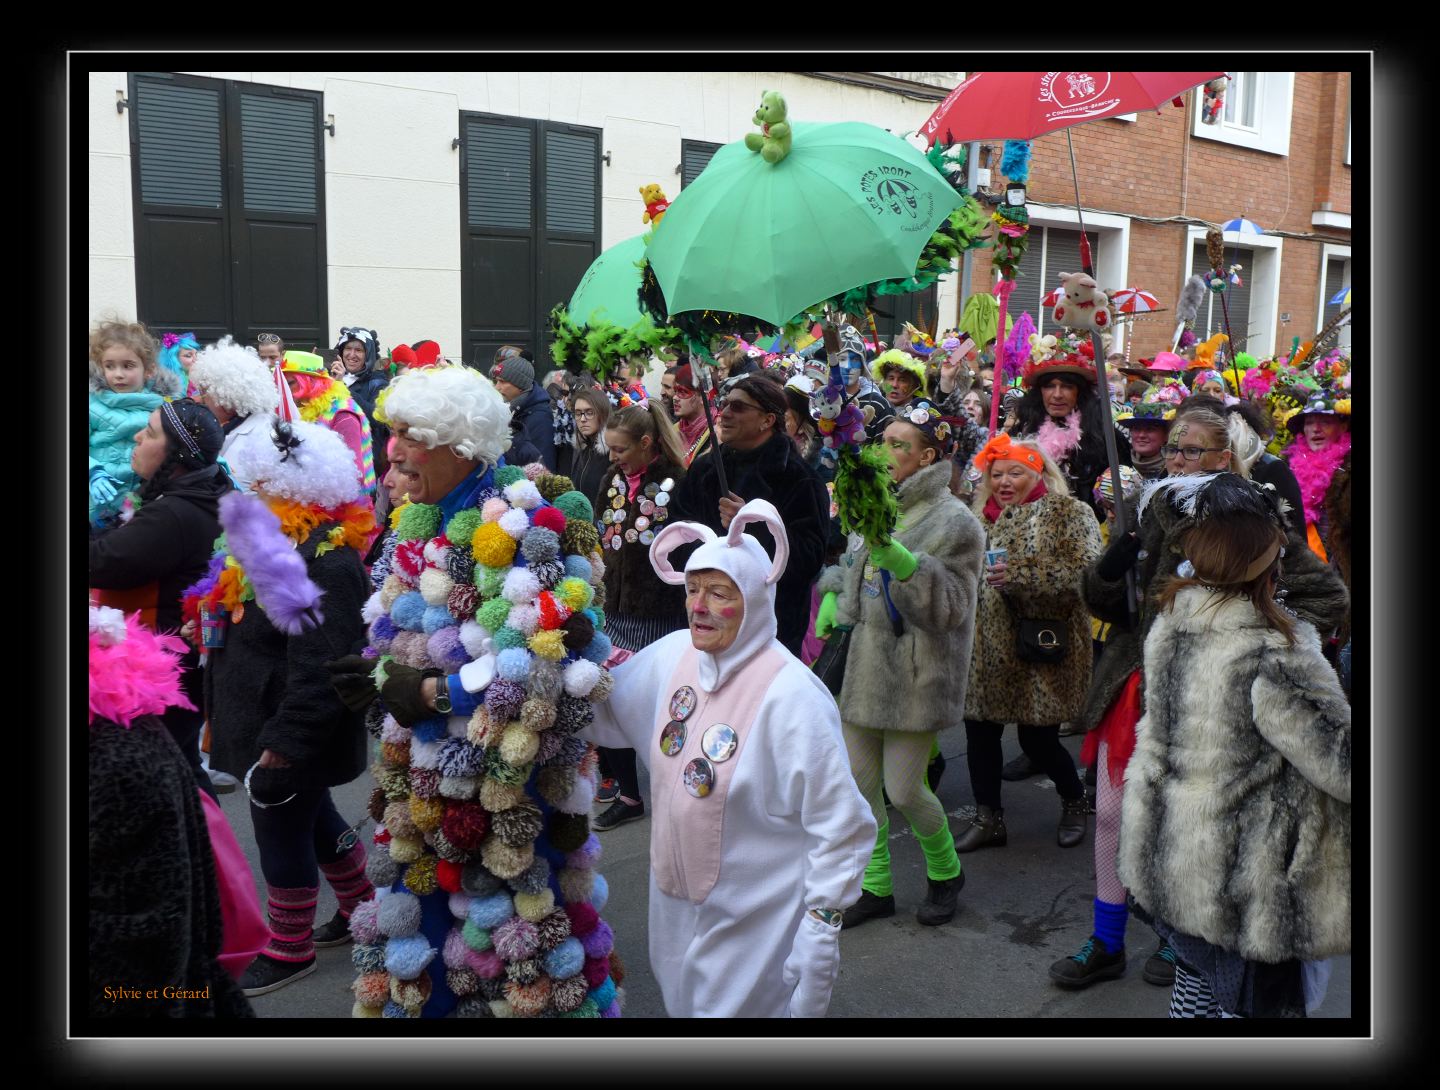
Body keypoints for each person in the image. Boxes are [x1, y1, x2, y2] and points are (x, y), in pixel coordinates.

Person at [324, 363, 624, 1018]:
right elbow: (401, 630)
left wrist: (432, 693)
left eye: (410, 434)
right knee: (424, 931)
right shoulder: (417, 520)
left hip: (508, 789)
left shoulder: (528, 523)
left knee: (518, 939)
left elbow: (550, 661)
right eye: (392, 431)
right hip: (423, 783)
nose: (394, 448)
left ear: (459, 445)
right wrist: (377, 676)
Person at [1051, 403, 1348, 990]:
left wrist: (1248, 625)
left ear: (1224, 456)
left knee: (1187, 818)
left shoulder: (1250, 514)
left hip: (1210, 694)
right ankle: (1107, 940)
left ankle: (1179, 934)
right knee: (1113, 813)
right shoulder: (1153, 505)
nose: (1176, 459)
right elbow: (1109, 605)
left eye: (1191, 450)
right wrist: (1109, 571)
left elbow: (1327, 597)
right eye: (1173, 449)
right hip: (1138, 678)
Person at [585, 499, 875, 1016]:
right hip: (673, 901)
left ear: (757, 600)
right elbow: (606, 705)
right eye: (693, 589)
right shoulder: (675, 655)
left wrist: (821, 923)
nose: (699, 606)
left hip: (755, 920)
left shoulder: (793, 697)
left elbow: (841, 823)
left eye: (719, 593)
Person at [1118, 473, 1351, 1018]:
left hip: (1174, 853)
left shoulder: (1174, 619)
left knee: (1196, 988)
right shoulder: (1275, 654)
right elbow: (1342, 765)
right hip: (1249, 881)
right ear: (1273, 562)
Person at [194, 419, 376, 997]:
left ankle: (289, 946)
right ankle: (360, 906)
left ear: (292, 488)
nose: (246, 494)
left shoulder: (327, 560)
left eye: (258, 484)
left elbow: (324, 665)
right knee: (312, 814)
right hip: (263, 717)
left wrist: (287, 740)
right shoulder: (266, 539)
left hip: (292, 727)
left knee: (279, 828)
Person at [816, 401, 984, 929]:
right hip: (861, 668)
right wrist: (834, 594)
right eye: (881, 441)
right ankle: (876, 884)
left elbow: (954, 608)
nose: (884, 452)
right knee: (860, 784)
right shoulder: (872, 503)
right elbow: (852, 568)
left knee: (905, 789)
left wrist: (910, 568)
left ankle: (944, 871)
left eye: (898, 445)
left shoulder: (956, 521)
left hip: (917, 674)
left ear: (928, 456)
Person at [87, 603, 255, 1020]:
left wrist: (291, 738)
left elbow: (145, 959)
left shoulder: (117, 758)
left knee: (291, 824)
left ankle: (295, 942)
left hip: (144, 1004)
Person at [957, 435, 1102, 854]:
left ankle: (1074, 799)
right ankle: (989, 819)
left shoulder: (1068, 512)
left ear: (1039, 472)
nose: (1004, 482)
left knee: (1037, 741)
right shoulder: (976, 519)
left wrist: (1022, 575)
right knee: (979, 735)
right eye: (997, 474)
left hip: (1039, 651)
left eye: (1015, 472)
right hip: (981, 653)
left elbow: (1084, 575)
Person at [90, 399, 232, 797]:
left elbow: (102, 560)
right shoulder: (193, 494)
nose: (136, 437)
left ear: (178, 457)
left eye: (150, 433)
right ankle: (210, 856)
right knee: (184, 776)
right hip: (178, 666)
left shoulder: (175, 513)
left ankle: (203, 857)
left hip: (161, 673)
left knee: (170, 783)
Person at [669, 373, 830, 657]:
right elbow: (678, 531)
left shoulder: (799, 479)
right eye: (725, 404)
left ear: (767, 420)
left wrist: (753, 527)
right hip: (704, 621)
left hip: (767, 631)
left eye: (739, 407)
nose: (725, 414)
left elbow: (809, 558)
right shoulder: (705, 470)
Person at [588, 402, 691, 831]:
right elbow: (598, 533)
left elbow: (691, 544)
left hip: (660, 612)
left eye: (620, 450)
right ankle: (629, 794)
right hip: (614, 607)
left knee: (659, 706)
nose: (613, 458)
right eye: (610, 449)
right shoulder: (612, 479)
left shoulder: (679, 482)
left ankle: (679, 789)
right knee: (609, 698)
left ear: (646, 443)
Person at [1010, 343, 1129, 517]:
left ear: (1080, 392)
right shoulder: (1022, 435)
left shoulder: (1108, 439)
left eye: (1067, 386)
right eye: (1050, 386)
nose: (1057, 394)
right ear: (1040, 391)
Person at [89, 319, 181, 527]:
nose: (118, 374)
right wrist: (93, 472)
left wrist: (217, 465)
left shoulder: (164, 407)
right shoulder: (92, 405)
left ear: (148, 370)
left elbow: (184, 443)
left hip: (146, 503)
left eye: (128, 366)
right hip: (98, 503)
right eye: (109, 366)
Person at [186, 336, 280, 494]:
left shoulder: (255, 440)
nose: (199, 399)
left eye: (204, 393)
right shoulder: (245, 423)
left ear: (227, 396)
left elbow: (237, 493)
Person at [279, 350, 376, 495]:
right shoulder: (303, 411)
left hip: (345, 508)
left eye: (290, 383)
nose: (283, 390)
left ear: (308, 382)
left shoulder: (342, 413)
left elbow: (355, 475)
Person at [1282, 392, 1351, 562]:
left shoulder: (1348, 468)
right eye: (1309, 423)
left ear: (1342, 427)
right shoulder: (1288, 467)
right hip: (1308, 567)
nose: (1316, 429)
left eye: (1325, 422)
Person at [491, 352, 557, 470]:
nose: (497, 387)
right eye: (496, 381)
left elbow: (541, 467)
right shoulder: (512, 408)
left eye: (502, 381)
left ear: (520, 385)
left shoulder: (540, 417)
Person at [834, 326, 894, 441]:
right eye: (842, 359)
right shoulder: (821, 400)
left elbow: (887, 452)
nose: (848, 367)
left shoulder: (879, 405)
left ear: (862, 365)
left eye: (855, 360)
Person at [554, 385, 611, 505]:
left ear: (603, 413)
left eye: (589, 412)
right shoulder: (583, 448)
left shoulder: (612, 453)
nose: (583, 419)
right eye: (578, 413)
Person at [1114, 400, 1174, 481]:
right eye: (1136, 428)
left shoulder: (1175, 468)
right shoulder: (1118, 462)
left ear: (1167, 435)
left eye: (1150, 429)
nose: (1141, 435)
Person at [671, 362, 714, 467]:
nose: (675, 398)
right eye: (675, 391)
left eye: (683, 392)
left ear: (704, 397)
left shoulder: (717, 433)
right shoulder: (672, 430)